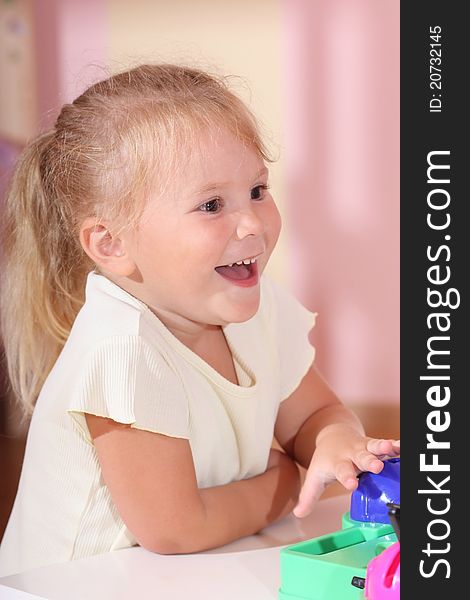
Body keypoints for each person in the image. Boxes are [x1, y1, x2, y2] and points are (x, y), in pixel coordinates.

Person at [0, 64, 399, 577]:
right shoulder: (123, 348)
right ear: (111, 244)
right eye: (212, 205)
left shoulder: (253, 306)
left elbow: (312, 415)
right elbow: (176, 527)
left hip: (175, 575)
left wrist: (337, 442)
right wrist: (281, 481)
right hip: (68, 586)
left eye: (257, 190)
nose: (253, 222)